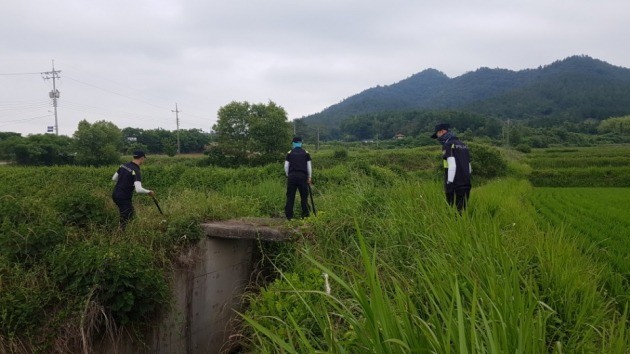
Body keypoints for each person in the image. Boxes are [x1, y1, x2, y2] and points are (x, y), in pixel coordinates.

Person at [431, 123, 472, 213]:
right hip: (466, 183)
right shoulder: (463, 144)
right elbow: (469, 166)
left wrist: (449, 182)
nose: (437, 138)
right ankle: (462, 225)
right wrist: (467, 179)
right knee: (462, 210)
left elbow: (452, 165)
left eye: (437, 135)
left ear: (441, 132)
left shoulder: (448, 145)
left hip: (454, 184)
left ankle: (452, 225)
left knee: (451, 210)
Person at [111, 150, 155, 230]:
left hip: (115, 194)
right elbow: (138, 189)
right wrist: (149, 191)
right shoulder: (136, 170)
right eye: (144, 159)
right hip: (123, 197)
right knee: (127, 216)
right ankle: (119, 235)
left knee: (129, 213)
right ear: (141, 158)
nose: (143, 161)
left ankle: (122, 231)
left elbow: (114, 178)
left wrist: (124, 182)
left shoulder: (123, 165)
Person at [284, 136, 312, 220]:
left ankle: (289, 216)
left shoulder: (289, 153)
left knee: (290, 196)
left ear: (293, 143)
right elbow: (309, 167)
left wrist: (288, 175)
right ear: (301, 143)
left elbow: (286, 166)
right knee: (304, 197)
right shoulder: (306, 153)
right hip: (302, 177)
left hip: (292, 176)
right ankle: (305, 215)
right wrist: (309, 177)